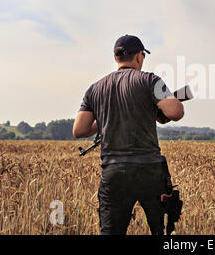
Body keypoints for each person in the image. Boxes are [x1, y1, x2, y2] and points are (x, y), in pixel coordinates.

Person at [72, 35, 184, 235]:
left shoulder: (94, 89)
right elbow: (175, 112)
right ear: (139, 57)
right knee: (161, 231)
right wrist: (166, 101)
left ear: (116, 58)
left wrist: (107, 118)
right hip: (148, 169)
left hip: (113, 172)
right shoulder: (150, 80)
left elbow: (79, 130)